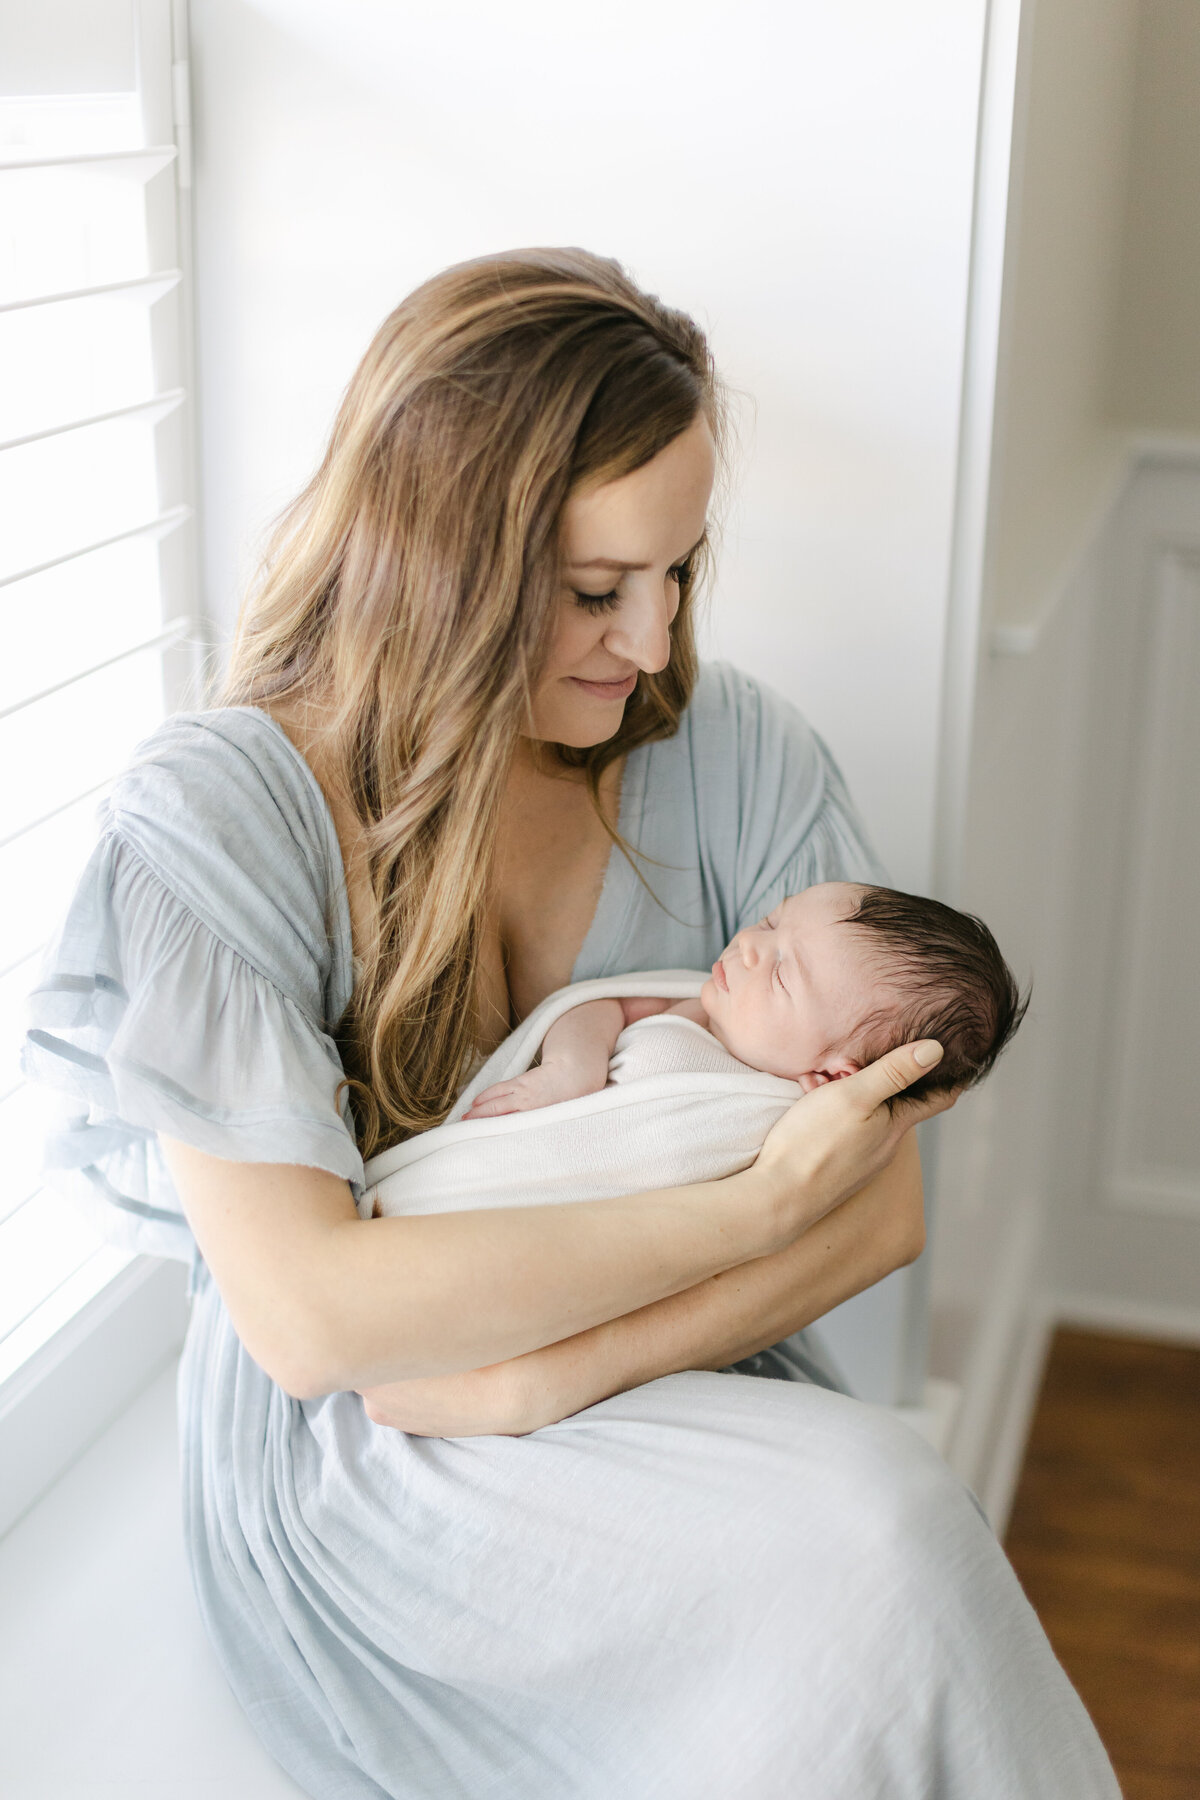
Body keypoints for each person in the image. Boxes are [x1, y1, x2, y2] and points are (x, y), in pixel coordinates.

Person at [23, 249, 1119, 1798]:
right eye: (598, 592)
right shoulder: (222, 821)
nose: (656, 645)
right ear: (439, 561)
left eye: (678, 574)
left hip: (617, 1383)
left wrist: (547, 1378)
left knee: (881, 1550)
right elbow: (319, 1322)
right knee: (872, 1552)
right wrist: (753, 1209)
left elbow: (873, 1209)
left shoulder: (732, 751)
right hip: (370, 1464)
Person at [462, 879, 1028, 1118]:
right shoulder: (695, 1012)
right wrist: (570, 1070)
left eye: (783, 973)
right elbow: (597, 1006)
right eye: (770, 921)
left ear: (836, 1076)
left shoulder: (799, 1128)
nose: (750, 945)